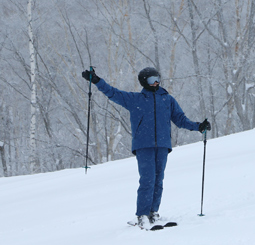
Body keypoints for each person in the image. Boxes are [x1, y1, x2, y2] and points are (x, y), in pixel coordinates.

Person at [81, 66, 210, 229]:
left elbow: (180, 119)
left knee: (158, 181)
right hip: (144, 145)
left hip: (163, 145)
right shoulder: (135, 99)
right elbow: (113, 93)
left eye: (158, 79)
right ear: (144, 81)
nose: (155, 83)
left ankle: (153, 213)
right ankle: (142, 215)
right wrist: (97, 80)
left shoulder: (167, 100)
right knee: (147, 180)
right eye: (151, 80)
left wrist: (198, 126)